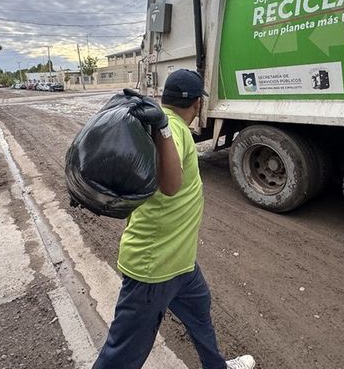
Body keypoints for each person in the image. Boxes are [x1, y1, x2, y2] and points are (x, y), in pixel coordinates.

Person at [92, 69, 255, 369]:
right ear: (196, 104)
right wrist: (165, 129)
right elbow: (170, 186)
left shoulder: (162, 126)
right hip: (154, 270)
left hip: (180, 264)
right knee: (123, 353)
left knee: (200, 312)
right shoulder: (171, 130)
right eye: (198, 104)